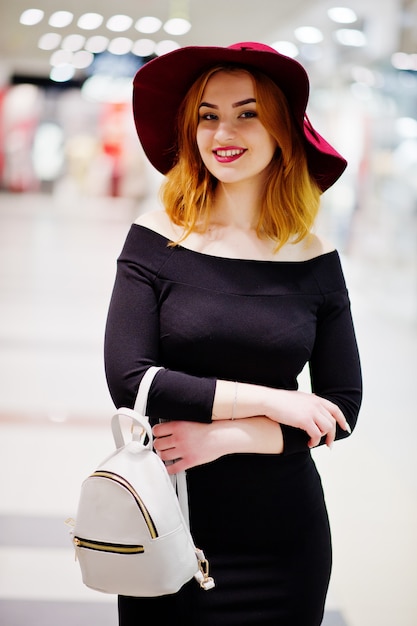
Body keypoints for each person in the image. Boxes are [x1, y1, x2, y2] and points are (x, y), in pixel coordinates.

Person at [104, 42, 362, 626]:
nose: (225, 130)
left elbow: (341, 408)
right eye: (208, 114)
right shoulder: (155, 241)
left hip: (285, 537)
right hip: (167, 522)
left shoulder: (315, 259)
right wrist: (273, 401)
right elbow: (131, 378)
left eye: (248, 113)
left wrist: (224, 438)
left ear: (282, 130)